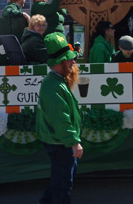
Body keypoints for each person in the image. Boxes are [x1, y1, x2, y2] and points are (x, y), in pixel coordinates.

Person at [36, 32, 83, 204]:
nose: (73, 62)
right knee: (63, 185)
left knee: (60, 180)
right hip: (60, 143)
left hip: (59, 141)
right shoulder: (53, 85)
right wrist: (74, 142)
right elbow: (60, 119)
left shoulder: (56, 81)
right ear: (59, 63)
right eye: (69, 59)